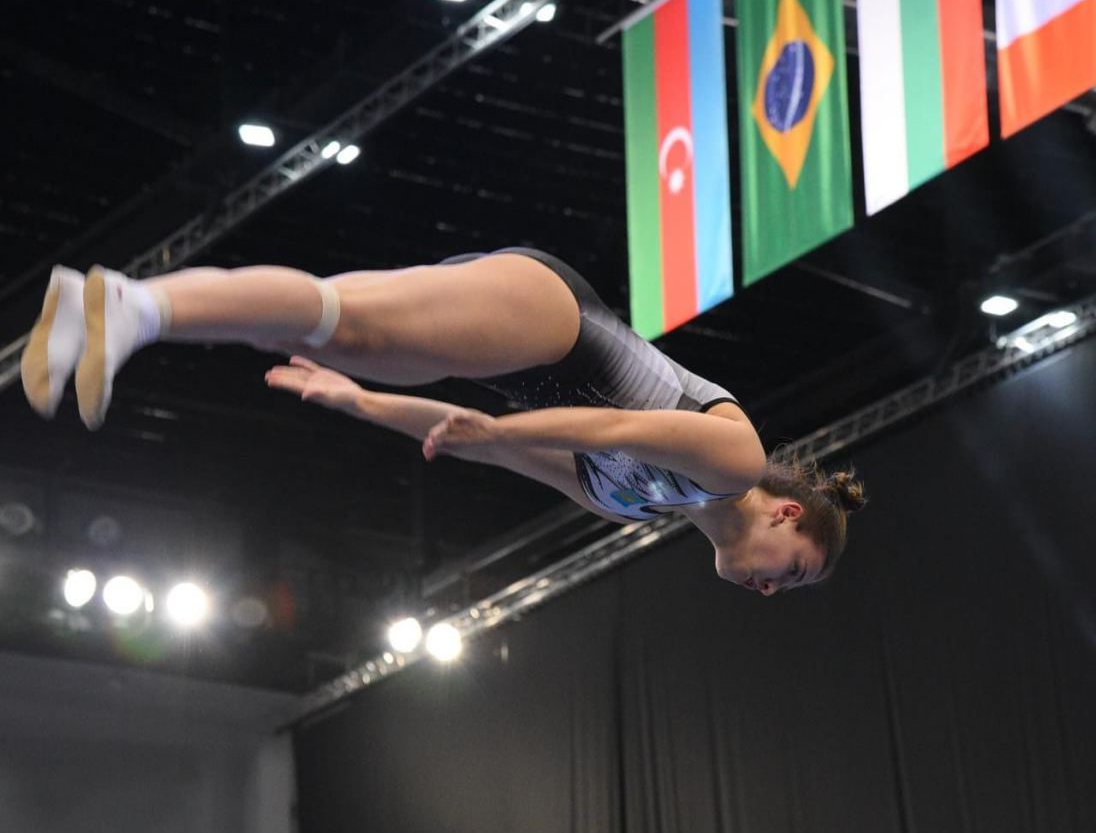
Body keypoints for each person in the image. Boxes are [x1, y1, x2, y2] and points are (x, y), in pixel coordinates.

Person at [20, 247, 864, 594]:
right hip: (553, 322)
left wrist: (363, 404)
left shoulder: (630, 507)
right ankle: (135, 309)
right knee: (347, 321)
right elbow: (608, 430)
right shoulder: (736, 460)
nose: (770, 590)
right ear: (789, 512)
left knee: (325, 327)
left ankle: (119, 309)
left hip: (515, 352)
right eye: (791, 571)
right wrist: (500, 433)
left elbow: (487, 448)